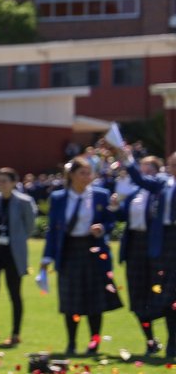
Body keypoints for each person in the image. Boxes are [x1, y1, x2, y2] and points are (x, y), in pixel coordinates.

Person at [39, 159, 119, 357]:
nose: (87, 177)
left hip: (93, 250)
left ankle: (94, 343)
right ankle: (71, 343)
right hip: (69, 250)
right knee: (70, 300)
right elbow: (53, 230)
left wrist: (102, 228)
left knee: (95, 300)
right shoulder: (58, 197)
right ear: (72, 175)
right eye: (82, 173)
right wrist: (47, 257)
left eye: (89, 173)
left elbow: (110, 221)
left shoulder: (100, 195)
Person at [118, 150, 176, 358]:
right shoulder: (164, 184)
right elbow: (140, 180)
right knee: (166, 292)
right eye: (173, 165)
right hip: (166, 238)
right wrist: (128, 161)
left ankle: (172, 342)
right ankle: (168, 342)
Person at [0, 168, 35, 347]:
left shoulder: (24, 202)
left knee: (14, 293)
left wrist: (17, 239)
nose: (1, 184)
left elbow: (30, 227)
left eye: (4, 181)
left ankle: (15, 333)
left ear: (13, 183)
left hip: (13, 254)